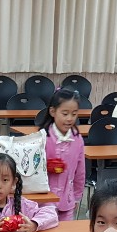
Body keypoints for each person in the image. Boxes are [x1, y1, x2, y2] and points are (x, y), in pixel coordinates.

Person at [0, 153, 58, 232]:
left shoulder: (22, 205)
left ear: (13, 182)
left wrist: (34, 224)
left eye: (5, 180)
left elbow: (51, 213)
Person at [40, 89, 86, 221]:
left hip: (67, 199)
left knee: (65, 231)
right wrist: (46, 166)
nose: (69, 119)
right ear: (52, 111)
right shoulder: (43, 138)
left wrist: (76, 197)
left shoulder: (77, 139)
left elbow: (80, 171)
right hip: (44, 200)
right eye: (65, 114)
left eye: (74, 114)